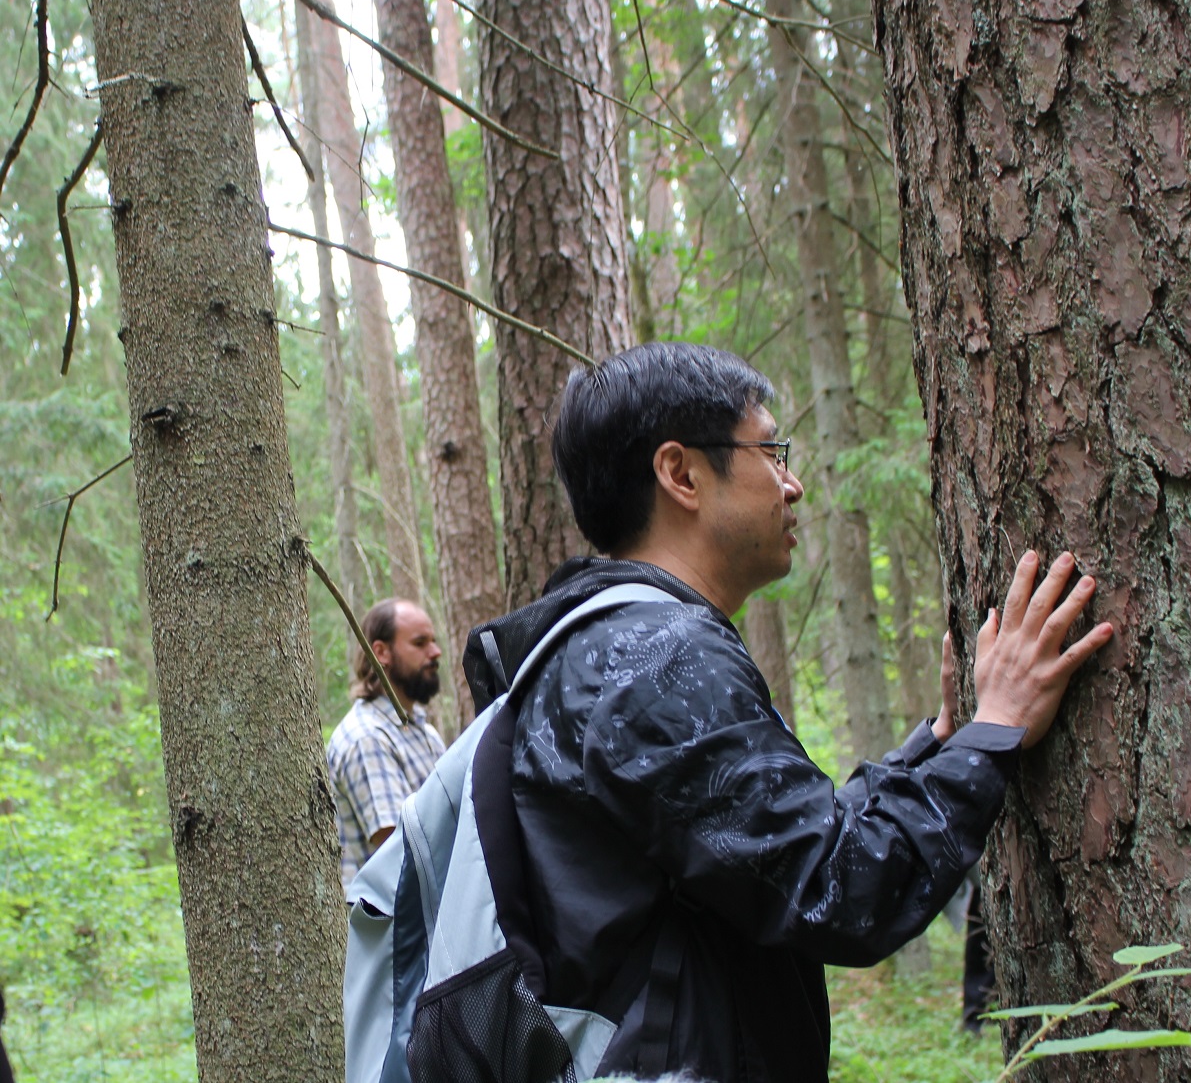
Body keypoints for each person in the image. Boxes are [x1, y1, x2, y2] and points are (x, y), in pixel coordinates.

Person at [463, 342, 1113, 1082]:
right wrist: (994, 734)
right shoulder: (653, 657)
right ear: (681, 474)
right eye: (770, 451)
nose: (793, 483)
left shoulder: (600, 653)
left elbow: (773, 858)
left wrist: (940, 745)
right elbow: (841, 888)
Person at [327, 599, 447, 892]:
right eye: (420, 643)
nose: (435, 652)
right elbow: (404, 859)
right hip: (395, 931)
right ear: (381, 652)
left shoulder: (423, 731)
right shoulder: (367, 738)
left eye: (433, 641)